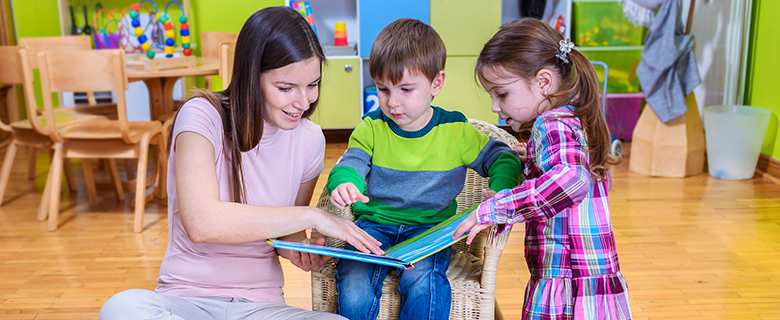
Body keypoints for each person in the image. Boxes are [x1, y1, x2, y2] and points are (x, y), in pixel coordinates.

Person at [98, 7, 383, 320]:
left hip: (261, 307)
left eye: (312, 84)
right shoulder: (200, 116)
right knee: (122, 308)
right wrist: (312, 215)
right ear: (251, 77)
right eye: (286, 88)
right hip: (186, 301)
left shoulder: (310, 139)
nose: (303, 102)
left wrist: (300, 250)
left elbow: (283, 234)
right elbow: (202, 223)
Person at [328, 18, 524, 320]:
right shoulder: (371, 127)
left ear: (436, 83)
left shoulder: (455, 131)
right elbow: (350, 163)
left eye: (406, 89)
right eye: (383, 89)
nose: (392, 103)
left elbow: (504, 158)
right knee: (353, 279)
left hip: (429, 231)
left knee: (423, 281)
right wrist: (344, 182)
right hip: (374, 227)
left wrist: (500, 189)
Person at [453, 18, 632, 319]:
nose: (495, 107)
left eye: (502, 94)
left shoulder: (550, 124)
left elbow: (573, 179)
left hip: (567, 271)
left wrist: (497, 207)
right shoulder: (571, 116)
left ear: (544, 82)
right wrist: (533, 162)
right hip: (585, 271)